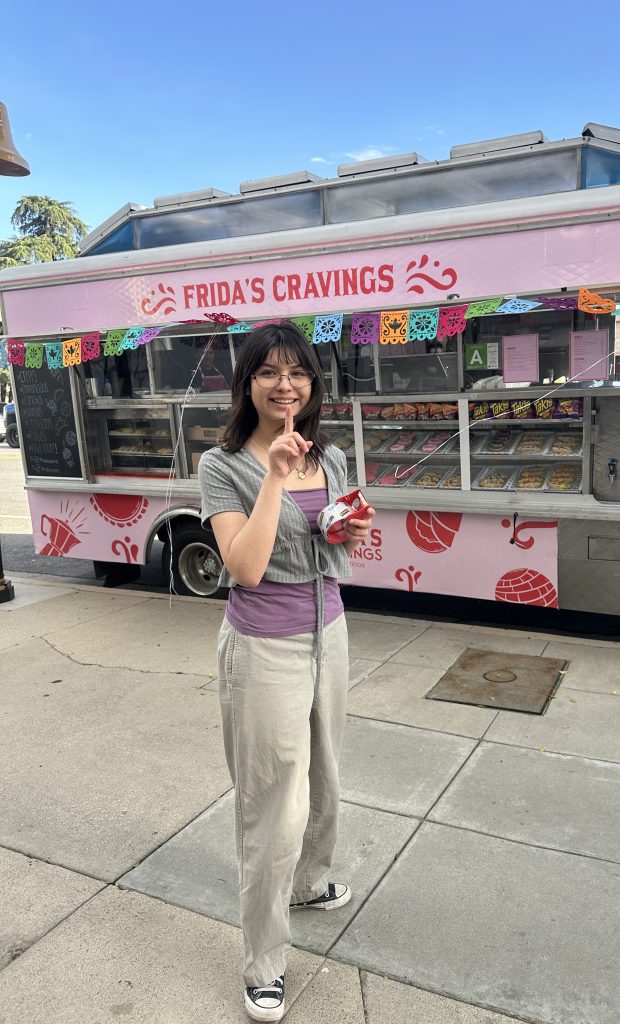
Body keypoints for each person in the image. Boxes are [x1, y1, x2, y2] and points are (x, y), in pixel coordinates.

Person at [198, 321, 375, 1022]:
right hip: (263, 646)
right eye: (269, 372)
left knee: (327, 779)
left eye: (297, 372)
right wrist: (274, 473)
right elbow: (241, 566)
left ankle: (310, 882)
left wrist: (348, 530)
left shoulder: (326, 456)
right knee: (274, 806)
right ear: (247, 384)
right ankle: (264, 960)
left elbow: (328, 535)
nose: (285, 384)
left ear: (312, 384)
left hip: (328, 631)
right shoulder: (225, 465)